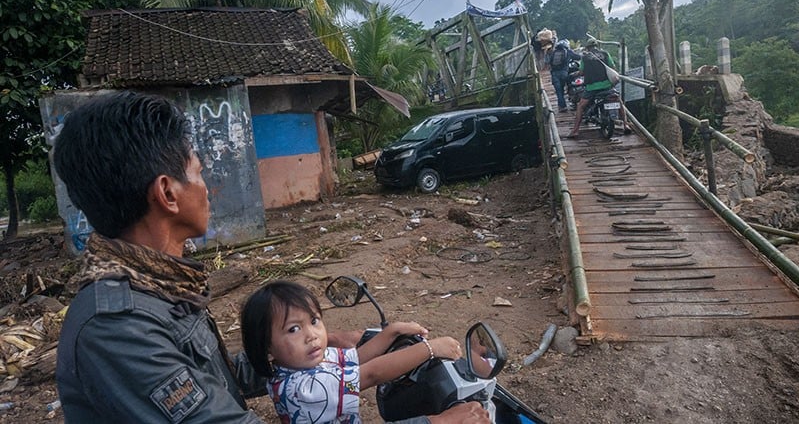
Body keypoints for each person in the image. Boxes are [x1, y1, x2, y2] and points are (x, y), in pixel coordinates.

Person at [52, 91, 487, 424]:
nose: (209, 188)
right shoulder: (119, 328)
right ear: (167, 193)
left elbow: (223, 379)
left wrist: (316, 343)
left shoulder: (161, 288)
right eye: (200, 174)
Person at [240, 280, 463, 423]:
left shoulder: (301, 362)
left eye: (314, 320)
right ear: (267, 348)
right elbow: (370, 374)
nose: (311, 335)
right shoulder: (304, 388)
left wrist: (391, 332)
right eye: (293, 329)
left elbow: (356, 359)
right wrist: (430, 349)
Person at [567, 38, 631, 138]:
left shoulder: (585, 57)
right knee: (619, 102)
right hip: (606, 86)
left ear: (588, 48)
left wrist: (575, 74)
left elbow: (581, 72)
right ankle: (626, 125)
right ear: (597, 46)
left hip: (592, 87)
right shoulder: (605, 54)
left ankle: (575, 130)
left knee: (580, 106)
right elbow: (612, 67)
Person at [546, 39, 582, 112]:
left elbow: (548, 62)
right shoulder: (567, 51)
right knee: (568, 85)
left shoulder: (554, 52)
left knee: (559, 91)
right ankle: (573, 100)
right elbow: (578, 57)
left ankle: (562, 107)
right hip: (564, 73)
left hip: (554, 73)